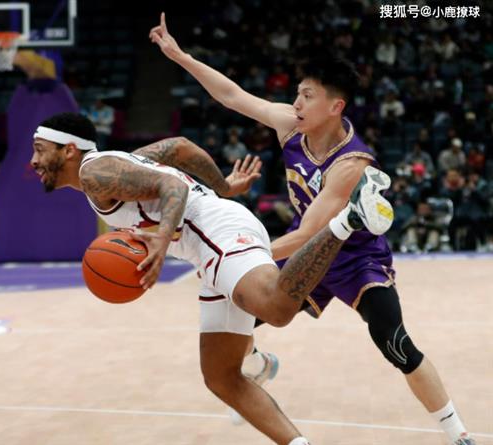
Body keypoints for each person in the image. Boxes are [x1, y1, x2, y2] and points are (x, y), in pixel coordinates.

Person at [150, 12, 476, 445]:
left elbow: (308, 234)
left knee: (394, 342)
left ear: (335, 107)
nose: (297, 103)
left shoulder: (351, 163)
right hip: (307, 255)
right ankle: (258, 364)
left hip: (355, 259)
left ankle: (458, 434)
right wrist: (180, 56)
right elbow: (232, 95)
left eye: (307, 96)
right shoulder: (290, 126)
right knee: (238, 305)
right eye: (297, 94)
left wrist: (237, 255)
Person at [31, 112, 393, 445]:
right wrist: (224, 186)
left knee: (276, 308)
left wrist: (162, 237)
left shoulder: (95, 173)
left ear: (69, 150)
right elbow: (179, 147)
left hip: (218, 234)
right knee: (221, 376)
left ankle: (349, 218)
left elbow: (174, 188)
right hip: (209, 245)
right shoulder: (116, 164)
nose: (32, 161)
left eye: (40, 149)